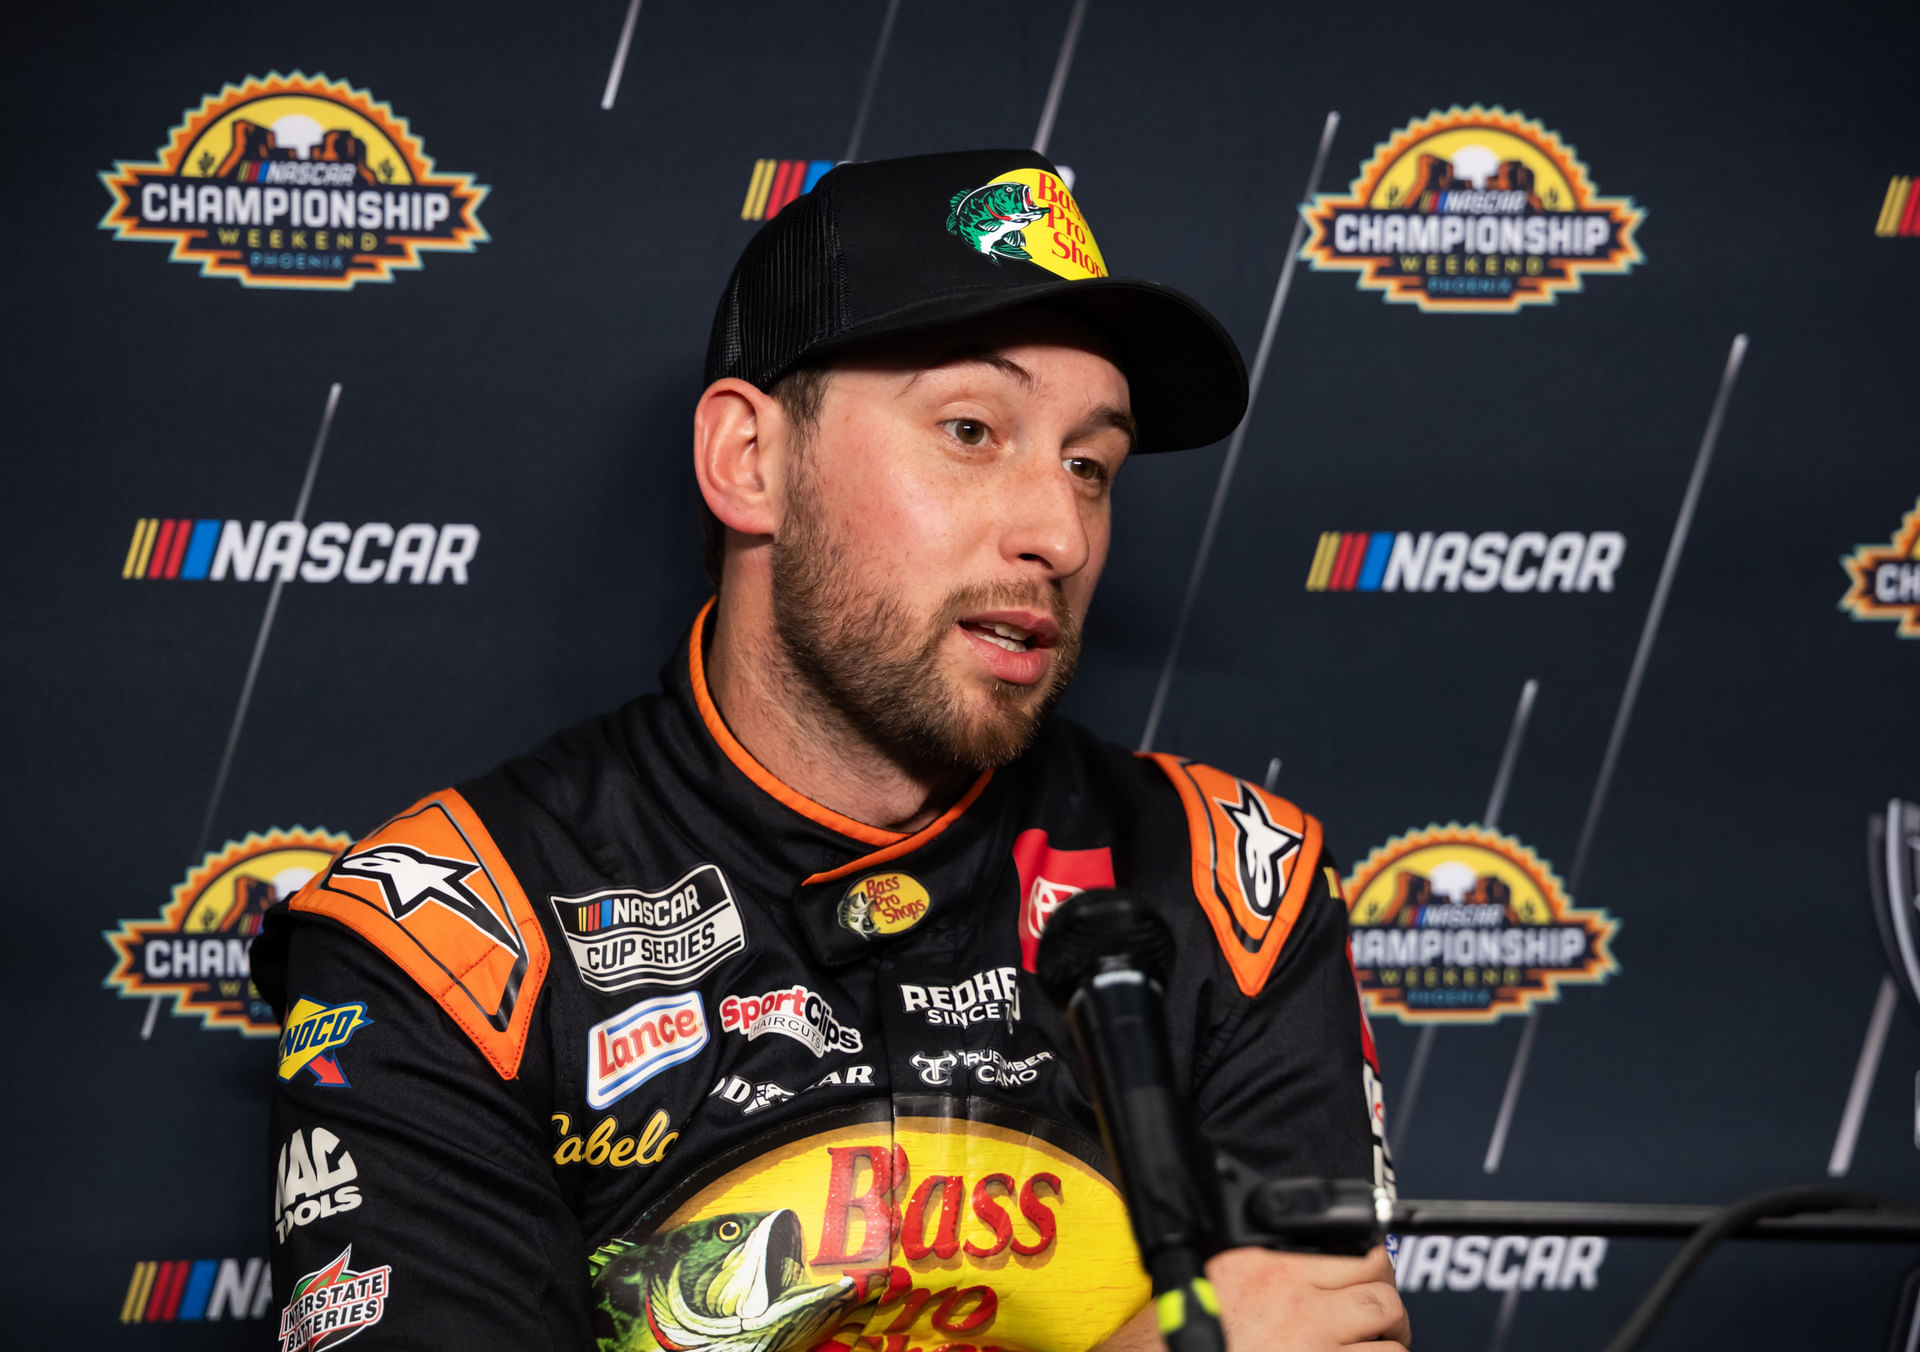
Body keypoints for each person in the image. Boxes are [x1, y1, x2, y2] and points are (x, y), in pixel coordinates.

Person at [253, 148, 1408, 1352]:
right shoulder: (449, 936)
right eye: (972, 429)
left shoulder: (1231, 882)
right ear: (752, 462)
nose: (1058, 531)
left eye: (1089, 464)